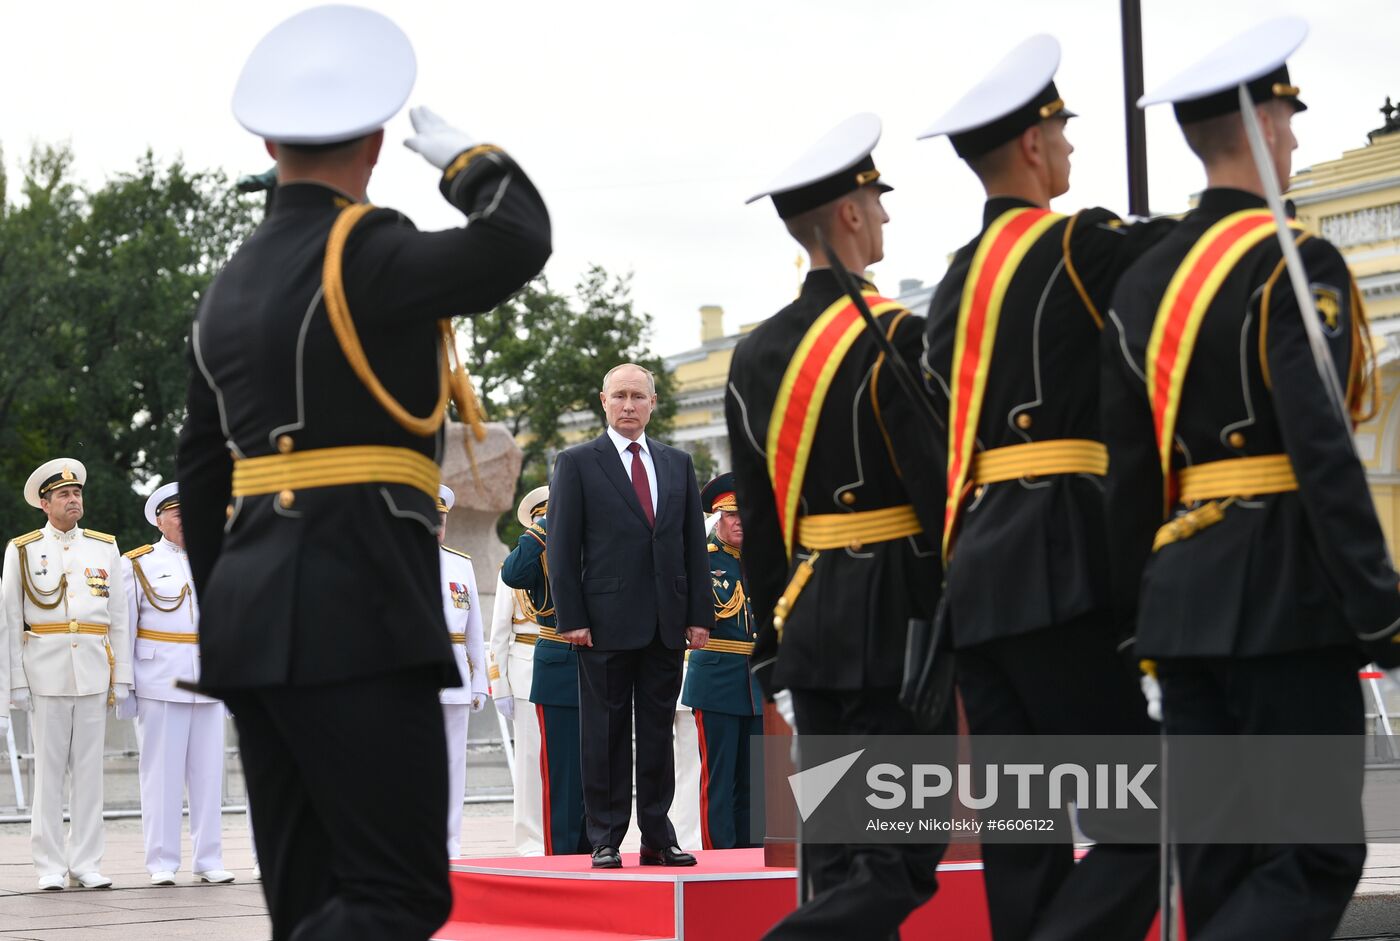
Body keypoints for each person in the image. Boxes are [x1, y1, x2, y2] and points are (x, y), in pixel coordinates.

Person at [175, 7, 550, 938]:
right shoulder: (368, 250)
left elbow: (199, 468)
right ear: (379, 144)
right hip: (359, 606)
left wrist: (235, 606)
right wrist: (472, 163)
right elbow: (518, 237)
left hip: (253, 621)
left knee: (308, 898)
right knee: (399, 890)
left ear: (268, 141)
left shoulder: (228, 283)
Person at [1103, 17, 1400, 940]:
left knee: (1221, 865)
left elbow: (1130, 469)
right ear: (1264, 125)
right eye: (1288, 117)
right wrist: (1379, 606)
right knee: (1312, 852)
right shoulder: (1292, 257)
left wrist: (1136, 615)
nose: (1296, 136)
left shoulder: (1145, 279)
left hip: (1179, 601)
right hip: (1282, 593)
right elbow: (1321, 446)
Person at [916, 35, 1165, 941]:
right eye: (1061, 132)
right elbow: (1184, 268)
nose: (1069, 149)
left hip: (975, 576)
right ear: (1032, 144)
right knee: (1154, 810)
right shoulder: (1076, 243)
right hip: (1059, 562)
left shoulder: (949, 281)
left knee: (1026, 834)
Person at [726, 113, 947, 940]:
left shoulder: (753, 356)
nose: (885, 216)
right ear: (849, 215)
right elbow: (936, 492)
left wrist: (771, 637)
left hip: (809, 623)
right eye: (877, 201)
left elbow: (758, 514)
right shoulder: (894, 335)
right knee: (901, 858)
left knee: (844, 856)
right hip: (897, 623)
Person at [547, 363, 713, 869]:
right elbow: (561, 544)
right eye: (619, 395)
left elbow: (692, 545)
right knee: (605, 733)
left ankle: (659, 837)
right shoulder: (576, 462)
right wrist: (571, 616)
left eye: (638, 396)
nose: (628, 405)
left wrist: (699, 615)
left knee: (659, 733)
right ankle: (605, 835)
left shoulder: (677, 462)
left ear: (653, 402)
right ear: (603, 401)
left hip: (666, 623)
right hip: (601, 624)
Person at [1, 458, 132, 890]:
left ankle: (87, 862)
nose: (73, 499)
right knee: (50, 772)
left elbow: (119, 617)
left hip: (94, 668)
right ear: (44, 503)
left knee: (90, 772)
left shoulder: (104, 546)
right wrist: (15, 682)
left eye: (77, 493)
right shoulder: (22, 549)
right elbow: (9, 619)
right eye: (63, 495)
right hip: (46, 670)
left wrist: (123, 677)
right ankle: (50, 865)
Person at [119, 482, 234, 886]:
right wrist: (125, 685)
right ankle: (162, 861)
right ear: (159, 519)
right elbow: (124, 628)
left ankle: (208, 858)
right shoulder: (137, 563)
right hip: (160, 678)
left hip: (207, 678)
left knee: (208, 775)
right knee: (161, 775)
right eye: (179, 515)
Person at [501, 486, 590, 856]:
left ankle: (599, 845)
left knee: (598, 767)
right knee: (562, 771)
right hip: (557, 665)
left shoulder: (594, 541)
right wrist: (542, 529)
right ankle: (565, 852)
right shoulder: (535, 555)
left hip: (601, 664)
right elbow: (512, 574)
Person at [680, 473, 763, 849]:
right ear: (717, 517)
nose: (740, 520)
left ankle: (755, 855)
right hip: (716, 681)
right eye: (731, 514)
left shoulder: (764, 562)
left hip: (759, 684)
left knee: (757, 780)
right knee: (719, 776)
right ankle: (719, 858)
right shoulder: (698, 560)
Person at [487, 487, 548, 856]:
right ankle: (531, 841)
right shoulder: (516, 564)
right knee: (529, 764)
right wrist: (501, 686)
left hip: (570, 664)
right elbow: (498, 633)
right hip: (526, 671)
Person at [436, 485, 488, 857]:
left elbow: (475, 631)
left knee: (454, 763)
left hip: (455, 674)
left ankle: (450, 840)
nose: (435, 527)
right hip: (412, 677)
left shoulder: (460, 564)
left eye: (440, 521)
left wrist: (480, 682)